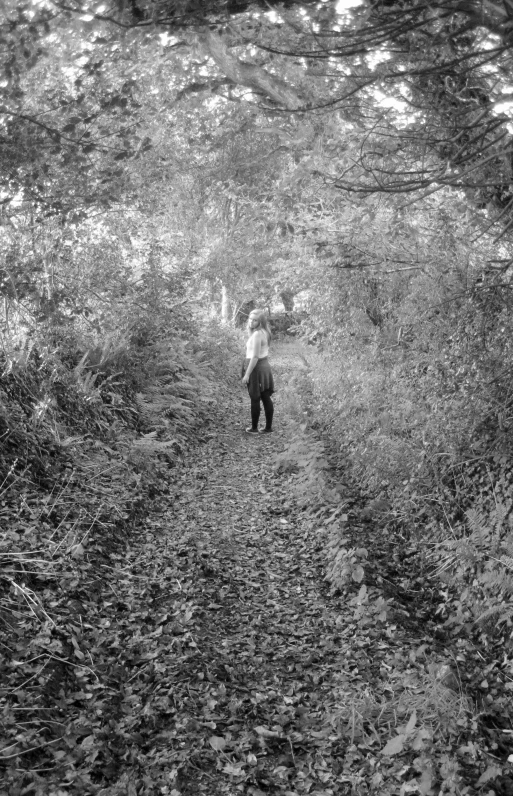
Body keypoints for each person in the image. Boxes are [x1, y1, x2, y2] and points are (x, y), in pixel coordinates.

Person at [241, 309, 274, 434]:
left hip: (256, 367)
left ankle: (254, 428)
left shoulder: (257, 334)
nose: (251, 322)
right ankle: (268, 427)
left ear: (261, 321)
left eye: (255, 320)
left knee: (255, 397)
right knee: (265, 396)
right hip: (264, 365)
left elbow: (254, 356)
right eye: (250, 319)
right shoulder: (265, 332)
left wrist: (247, 374)